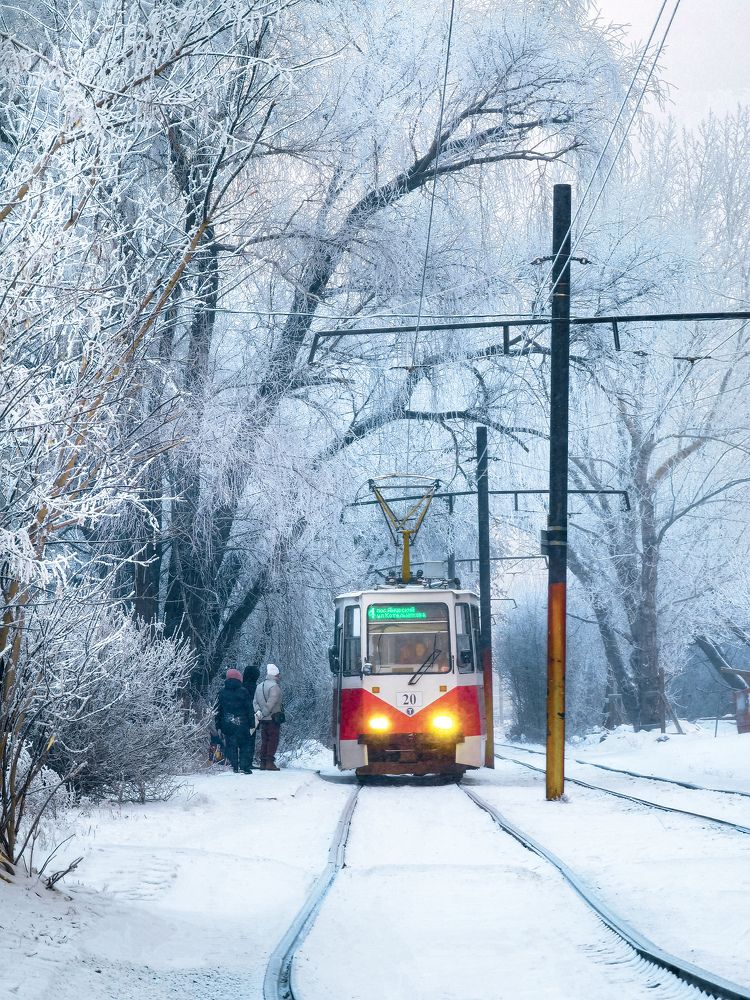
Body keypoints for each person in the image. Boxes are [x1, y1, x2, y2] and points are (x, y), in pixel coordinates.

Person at [215, 667, 254, 774]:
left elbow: (217, 710)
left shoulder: (221, 693)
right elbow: (249, 709)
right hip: (242, 723)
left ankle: (234, 766)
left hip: (227, 723)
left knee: (231, 744)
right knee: (245, 745)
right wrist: (252, 723)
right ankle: (244, 766)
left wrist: (218, 725)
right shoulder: (244, 692)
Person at [254, 663, 283, 771]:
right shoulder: (275, 687)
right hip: (273, 718)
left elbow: (255, 702)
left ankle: (263, 762)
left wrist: (259, 712)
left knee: (265, 740)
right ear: (275, 675)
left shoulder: (259, 686)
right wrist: (265, 712)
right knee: (273, 740)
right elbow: (272, 701)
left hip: (262, 719)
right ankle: (269, 762)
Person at [243, 664, 261, 767]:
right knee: (250, 740)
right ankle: (247, 762)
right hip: (252, 718)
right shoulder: (257, 689)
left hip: (239, 717)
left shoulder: (239, 687)